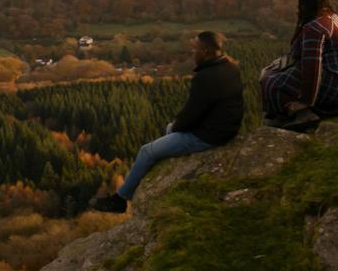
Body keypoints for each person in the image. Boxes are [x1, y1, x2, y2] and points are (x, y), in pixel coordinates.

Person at [90, 31, 244, 213]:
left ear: (205, 52)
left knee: (146, 151)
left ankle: (119, 200)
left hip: (209, 135)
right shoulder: (231, 68)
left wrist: (178, 127)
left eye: (194, 50)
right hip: (226, 129)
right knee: (170, 129)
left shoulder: (206, 78)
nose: (192, 54)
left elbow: (190, 115)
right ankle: (169, 161)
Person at [261, 0, 338, 131]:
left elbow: (312, 67)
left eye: (301, 6)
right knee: (274, 74)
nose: (298, 10)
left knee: (271, 81)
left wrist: (306, 101)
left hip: (332, 88)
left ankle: (299, 113)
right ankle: (288, 113)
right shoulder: (335, 18)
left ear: (307, 6)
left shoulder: (315, 27)